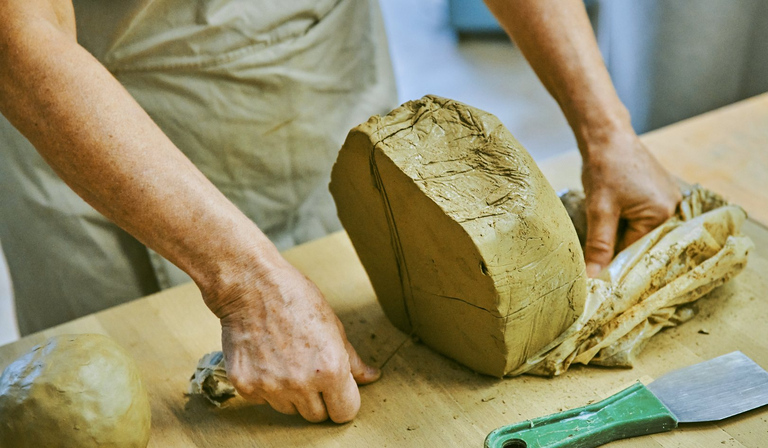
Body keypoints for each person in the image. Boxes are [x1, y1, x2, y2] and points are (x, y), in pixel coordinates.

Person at [0, 0, 680, 423]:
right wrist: (245, 284)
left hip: (317, 67)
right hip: (96, 124)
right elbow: (19, 39)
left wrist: (604, 128)